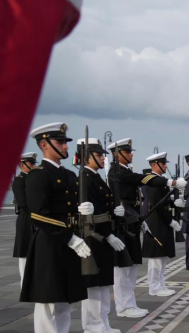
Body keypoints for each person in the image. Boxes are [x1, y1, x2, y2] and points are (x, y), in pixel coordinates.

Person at [20, 123, 91, 333]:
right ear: (44, 144)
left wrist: (86, 209)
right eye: (60, 142)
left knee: (65, 300)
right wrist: (70, 238)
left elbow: (72, 206)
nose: (65, 147)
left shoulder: (70, 175)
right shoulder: (38, 175)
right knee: (48, 302)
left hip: (69, 242)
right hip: (50, 243)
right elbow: (39, 214)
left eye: (65, 142)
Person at [107, 139, 186, 317]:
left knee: (132, 266)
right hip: (122, 222)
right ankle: (124, 307)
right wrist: (171, 183)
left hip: (131, 219)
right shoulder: (117, 172)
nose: (131, 154)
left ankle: (130, 303)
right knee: (123, 270)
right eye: (127, 152)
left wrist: (138, 219)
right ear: (116, 154)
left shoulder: (124, 171)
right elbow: (141, 179)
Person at [76, 138, 127, 333]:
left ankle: (102, 323)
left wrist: (116, 213)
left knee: (104, 283)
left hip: (103, 237)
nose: (103, 159)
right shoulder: (84, 179)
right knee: (94, 286)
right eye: (98, 156)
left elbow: (105, 209)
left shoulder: (96, 178)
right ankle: (92, 326)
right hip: (93, 238)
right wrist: (107, 235)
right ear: (86, 158)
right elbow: (91, 215)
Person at [142, 152, 182, 297]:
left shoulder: (159, 180)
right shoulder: (152, 181)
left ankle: (161, 284)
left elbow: (164, 201)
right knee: (156, 258)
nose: (165, 166)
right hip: (156, 221)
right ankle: (154, 287)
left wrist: (174, 203)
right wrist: (170, 221)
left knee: (162, 256)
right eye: (163, 164)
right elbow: (156, 204)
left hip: (161, 221)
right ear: (154, 165)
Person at [12, 152, 37, 288]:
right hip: (26, 219)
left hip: (33, 219)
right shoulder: (19, 180)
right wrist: (37, 213)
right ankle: (25, 285)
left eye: (34, 163)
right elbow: (23, 202)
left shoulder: (32, 179)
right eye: (31, 163)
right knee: (25, 255)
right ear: (22, 165)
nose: (34, 165)